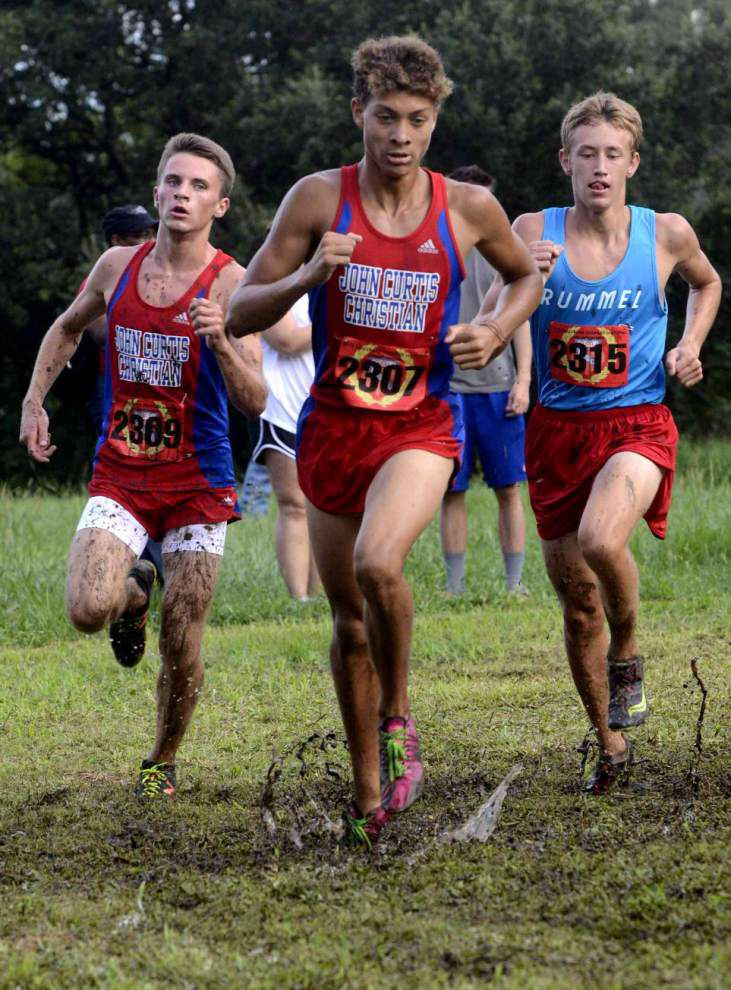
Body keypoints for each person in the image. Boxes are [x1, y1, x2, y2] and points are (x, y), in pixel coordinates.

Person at [226, 35, 542, 846]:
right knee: (348, 624)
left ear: (434, 122)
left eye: (417, 119)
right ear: (357, 113)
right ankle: (368, 797)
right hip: (331, 428)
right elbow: (239, 312)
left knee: (378, 566)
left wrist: (497, 328)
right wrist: (306, 279)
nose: (400, 135)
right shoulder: (314, 201)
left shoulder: (465, 208)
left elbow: (524, 275)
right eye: (385, 117)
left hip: (419, 426)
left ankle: (400, 718)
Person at [483, 92, 721, 794]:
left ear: (631, 164)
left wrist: (688, 343)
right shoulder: (532, 229)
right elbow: (496, 316)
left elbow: (706, 285)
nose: (598, 167)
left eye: (611, 155)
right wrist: (528, 276)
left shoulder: (665, 233)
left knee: (599, 540)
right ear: (564, 160)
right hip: (555, 435)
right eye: (585, 153)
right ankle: (607, 738)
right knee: (576, 602)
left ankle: (629, 650)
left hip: (635, 425)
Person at [20, 133, 267, 798]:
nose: (182, 195)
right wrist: (34, 399)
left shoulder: (232, 282)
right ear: (156, 193)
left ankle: (161, 759)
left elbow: (256, 400)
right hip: (122, 474)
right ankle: (134, 595)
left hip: (199, 482)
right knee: (85, 607)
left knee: (182, 639)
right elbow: (69, 326)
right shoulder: (116, 266)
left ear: (219, 204)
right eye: (173, 182)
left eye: (197, 187)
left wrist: (219, 340)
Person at [440, 166, 531, 597]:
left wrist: (524, 380)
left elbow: (523, 318)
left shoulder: (506, 251)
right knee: (450, 492)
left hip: (500, 387)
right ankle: (454, 587)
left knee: (509, 488)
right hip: (449, 390)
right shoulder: (439, 246)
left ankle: (514, 585)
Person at [82, 205, 165, 577]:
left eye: (151, 234)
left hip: (161, 390)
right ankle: (142, 561)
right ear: (116, 241)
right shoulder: (103, 277)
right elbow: (96, 331)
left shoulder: (159, 272)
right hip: (115, 393)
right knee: (129, 474)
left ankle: (157, 565)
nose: (149, 242)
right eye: (139, 236)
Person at [250, 293, 320, 599]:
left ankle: (319, 597)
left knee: (324, 504)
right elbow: (286, 339)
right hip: (282, 408)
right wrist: (343, 323)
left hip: (327, 403)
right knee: (294, 504)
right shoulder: (271, 278)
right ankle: (298, 598)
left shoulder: (334, 278)